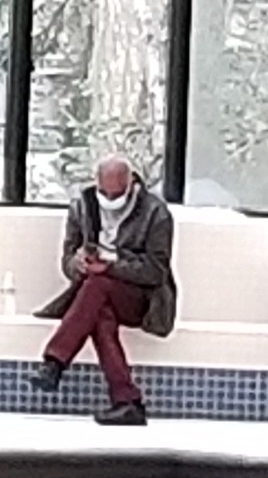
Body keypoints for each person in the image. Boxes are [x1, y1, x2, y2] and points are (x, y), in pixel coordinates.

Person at [33, 155, 177, 426]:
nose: (110, 199)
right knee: (100, 315)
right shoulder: (82, 207)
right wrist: (79, 265)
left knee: (98, 284)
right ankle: (127, 401)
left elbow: (155, 271)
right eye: (105, 192)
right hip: (97, 294)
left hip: (143, 299)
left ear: (131, 183)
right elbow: (67, 261)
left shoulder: (155, 212)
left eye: (117, 193)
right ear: (96, 184)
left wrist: (110, 267)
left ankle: (54, 362)